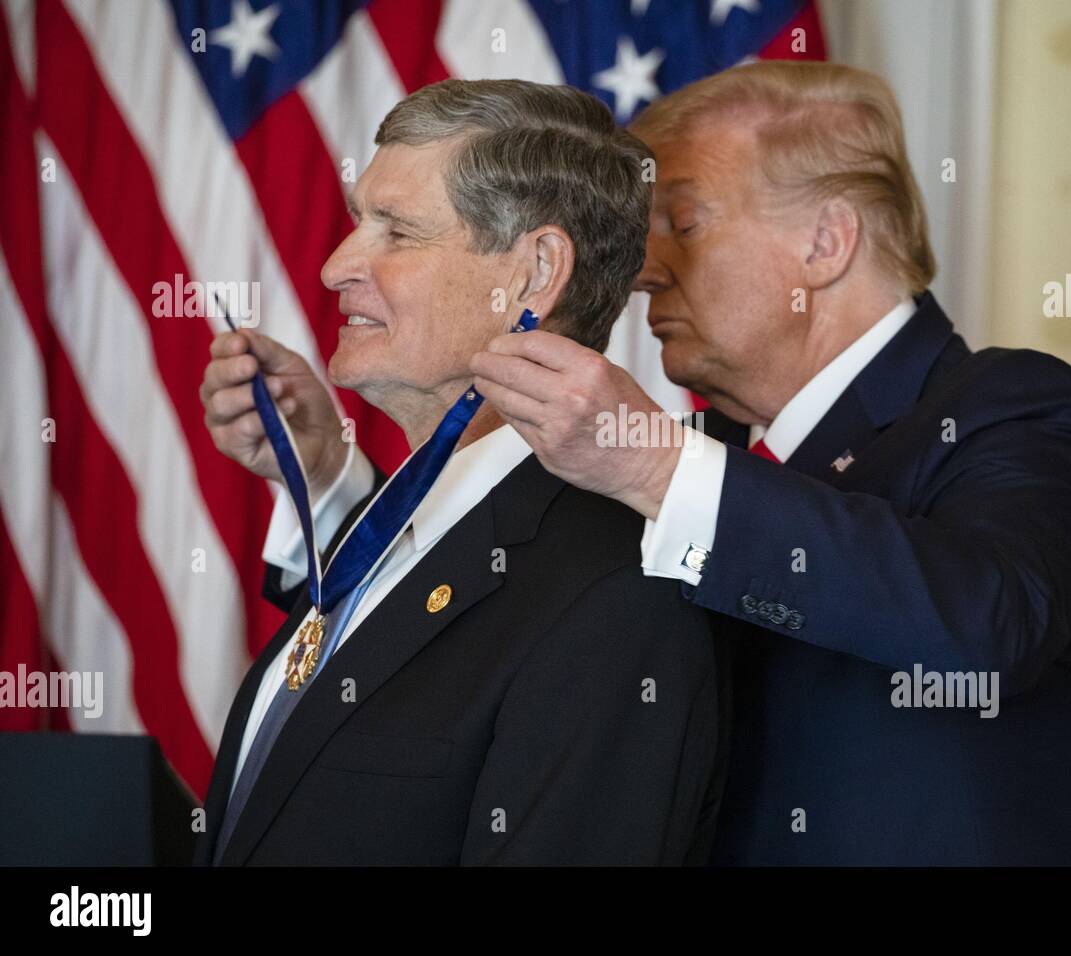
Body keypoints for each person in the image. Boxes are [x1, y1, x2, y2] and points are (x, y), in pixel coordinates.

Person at [469, 61, 1071, 865]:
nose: (643, 273)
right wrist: (332, 489)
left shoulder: (1018, 403)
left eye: (684, 224)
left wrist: (658, 468)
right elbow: (497, 600)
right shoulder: (702, 455)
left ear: (826, 243)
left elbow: (989, 624)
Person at [195, 79, 725, 866]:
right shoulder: (400, 527)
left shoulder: (615, 595)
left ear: (536, 274)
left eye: (396, 231)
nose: (337, 265)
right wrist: (321, 473)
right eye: (355, 223)